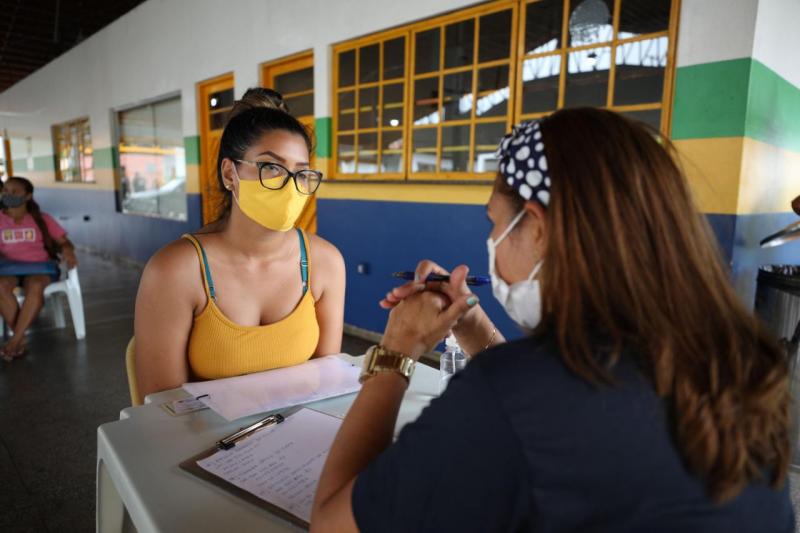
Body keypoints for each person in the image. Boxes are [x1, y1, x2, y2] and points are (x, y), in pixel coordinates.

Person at [311, 109, 794, 532]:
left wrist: (398, 349)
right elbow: (554, 400)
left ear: (536, 227)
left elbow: (332, 525)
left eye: (494, 222)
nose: (493, 238)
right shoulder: (735, 361)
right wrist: (475, 325)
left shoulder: (505, 396)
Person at [134, 88, 345, 398]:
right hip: (205, 442)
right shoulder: (177, 270)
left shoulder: (325, 263)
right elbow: (160, 407)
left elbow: (327, 382)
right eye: (271, 167)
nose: (289, 185)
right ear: (230, 174)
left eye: (301, 173)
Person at [0, 176, 78, 360]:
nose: (7, 195)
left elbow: (64, 242)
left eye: (14, 191)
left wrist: (68, 251)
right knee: (1, 287)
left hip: (40, 268)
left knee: (35, 286)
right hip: (8, 268)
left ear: (28, 196)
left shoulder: (42, 219)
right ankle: (19, 340)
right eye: (5, 191)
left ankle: (14, 341)